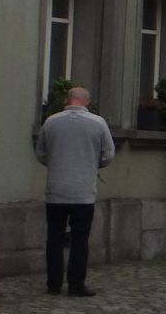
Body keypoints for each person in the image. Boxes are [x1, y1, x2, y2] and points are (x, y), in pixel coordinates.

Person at [35, 85, 114, 298]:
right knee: (80, 239)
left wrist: (56, 163)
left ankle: (53, 283)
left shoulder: (51, 122)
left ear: (67, 100)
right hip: (83, 191)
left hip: (56, 189)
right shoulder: (98, 123)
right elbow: (108, 154)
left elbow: (41, 153)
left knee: (54, 237)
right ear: (86, 102)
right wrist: (91, 163)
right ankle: (76, 284)